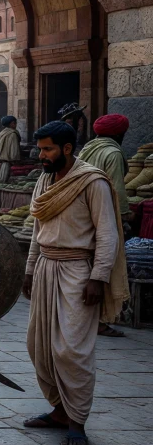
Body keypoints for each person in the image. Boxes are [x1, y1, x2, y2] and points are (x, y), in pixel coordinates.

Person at [22, 121, 125, 445]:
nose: (42, 155)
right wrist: (29, 269)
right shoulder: (44, 178)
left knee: (72, 350)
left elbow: (107, 233)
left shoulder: (91, 181)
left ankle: (77, 421)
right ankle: (58, 412)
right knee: (40, 346)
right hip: (46, 268)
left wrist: (98, 277)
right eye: (40, 149)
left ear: (67, 148)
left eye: (48, 149)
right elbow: (39, 228)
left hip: (78, 271)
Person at [80, 114, 132, 339]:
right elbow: (117, 190)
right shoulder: (112, 153)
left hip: (84, 213)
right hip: (104, 214)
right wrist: (126, 216)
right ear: (120, 134)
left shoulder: (87, 148)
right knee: (106, 266)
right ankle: (101, 320)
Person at [0, 115, 21, 182]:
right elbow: (14, 152)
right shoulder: (13, 134)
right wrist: (16, 161)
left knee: (1, 181)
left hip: (1, 163)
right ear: (12, 123)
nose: (15, 125)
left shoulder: (0, 134)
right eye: (15, 123)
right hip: (8, 164)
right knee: (5, 181)